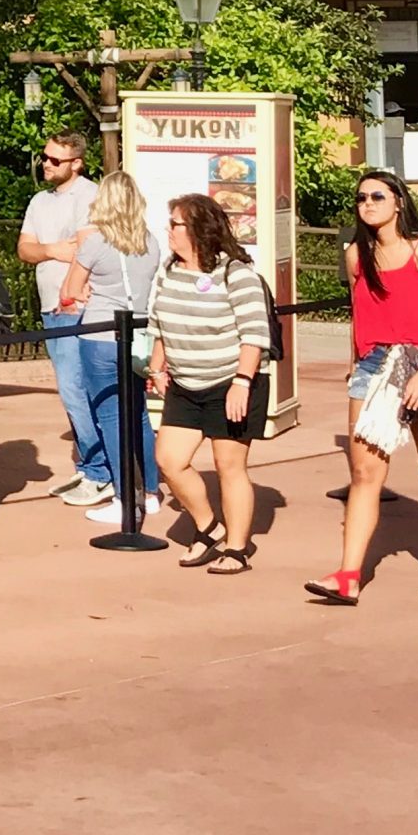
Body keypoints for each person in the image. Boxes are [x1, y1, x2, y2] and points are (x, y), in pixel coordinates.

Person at [307, 171, 418, 606]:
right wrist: (354, 366)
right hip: (374, 367)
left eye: (377, 196)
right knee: (364, 474)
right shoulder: (357, 255)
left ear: (398, 201)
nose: (368, 204)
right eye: (361, 198)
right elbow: (359, 315)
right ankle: (348, 574)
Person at [147, 193, 274, 575]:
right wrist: (157, 368)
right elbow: (160, 323)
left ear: (198, 230)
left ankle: (236, 548)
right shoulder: (168, 270)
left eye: (175, 224)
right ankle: (208, 526)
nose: (168, 230)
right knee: (169, 460)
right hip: (185, 384)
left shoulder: (236, 274)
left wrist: (241, 382)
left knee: (228, 465)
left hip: (230, 383)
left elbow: (254, 334)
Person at [61, 167, 163, 527]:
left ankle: (123, 498)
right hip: (140, 335)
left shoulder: (96, 242)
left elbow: (70, 290)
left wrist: (86, 292)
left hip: (101, 336)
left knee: (109, 418)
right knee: (140, 415)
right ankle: (151, 491)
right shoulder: (150, 242)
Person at [17, 130, 106, 506]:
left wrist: (67, 288)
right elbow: (24, 250)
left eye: (55, 159)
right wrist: (53, 248)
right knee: (71, 389)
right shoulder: (39, 201)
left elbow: (85, 249)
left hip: (76, 306)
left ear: (77, 163)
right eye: (45, 157)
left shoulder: (90, 196)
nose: (46, 164)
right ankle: (90, 465)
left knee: (76, 388)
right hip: (50, 305)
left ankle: (100, 470)